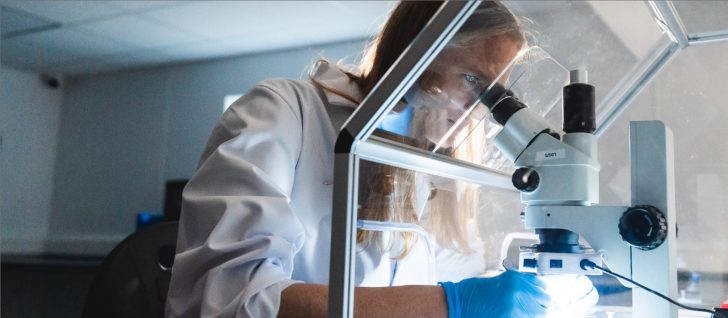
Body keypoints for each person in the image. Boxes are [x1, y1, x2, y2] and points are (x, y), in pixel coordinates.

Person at [166, 1, 550, 317]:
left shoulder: (432, 166)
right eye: (473, 80)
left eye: (493, 94)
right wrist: (451, 305)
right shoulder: (283, 113)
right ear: (419, 54)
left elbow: (461, 271)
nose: (478, 108)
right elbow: (229, 299)